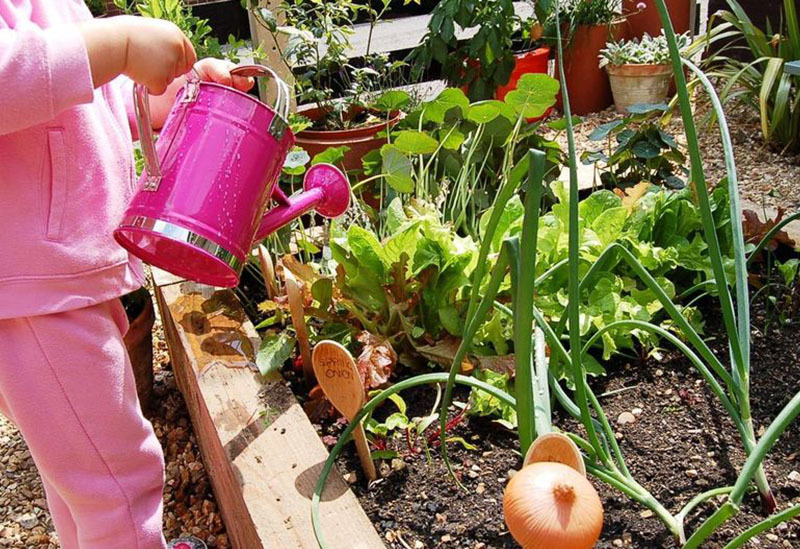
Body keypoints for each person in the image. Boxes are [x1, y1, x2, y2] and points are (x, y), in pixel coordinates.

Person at [0, 2, 254, 548]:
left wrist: (171, 89)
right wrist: (116, 44)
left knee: (84, 476)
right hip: (34, 289)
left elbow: (91, 101)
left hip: (56, 277)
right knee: (119, 483)